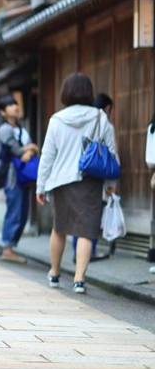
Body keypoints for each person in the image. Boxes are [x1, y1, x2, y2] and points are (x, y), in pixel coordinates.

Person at [37, 74, 118, 294]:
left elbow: (47, 156)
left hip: (61, 181)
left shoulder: (56, 119)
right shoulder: (101, 118)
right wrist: (111, 183)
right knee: (86, 231)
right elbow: (111, 153)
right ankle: (79, 279)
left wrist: (41, 186)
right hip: (90, 181)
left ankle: (54, 273)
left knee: (59, 228)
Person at [71, 92, 115, 261]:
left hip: (77, 174)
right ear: (108, 108)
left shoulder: (80, 122)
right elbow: (112, 154)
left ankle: (77, 251)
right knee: (92, 217)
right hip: (96, 177)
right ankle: (90, 252)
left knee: (79, 216)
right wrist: (112, 182)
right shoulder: (105, 124)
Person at [0, 95, 39, 264]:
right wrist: (29, 149)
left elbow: (29, 150)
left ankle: (10, 247)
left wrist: (30, 151)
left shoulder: (22, 130)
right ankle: (7, 248)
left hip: (24, 175)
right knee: (15, 210)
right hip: (12, 176)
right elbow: (15, 150)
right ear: (2, 112)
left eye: (15, 104)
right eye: (10, 105)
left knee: (22, 212)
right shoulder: (4, 129)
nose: (15, 107)